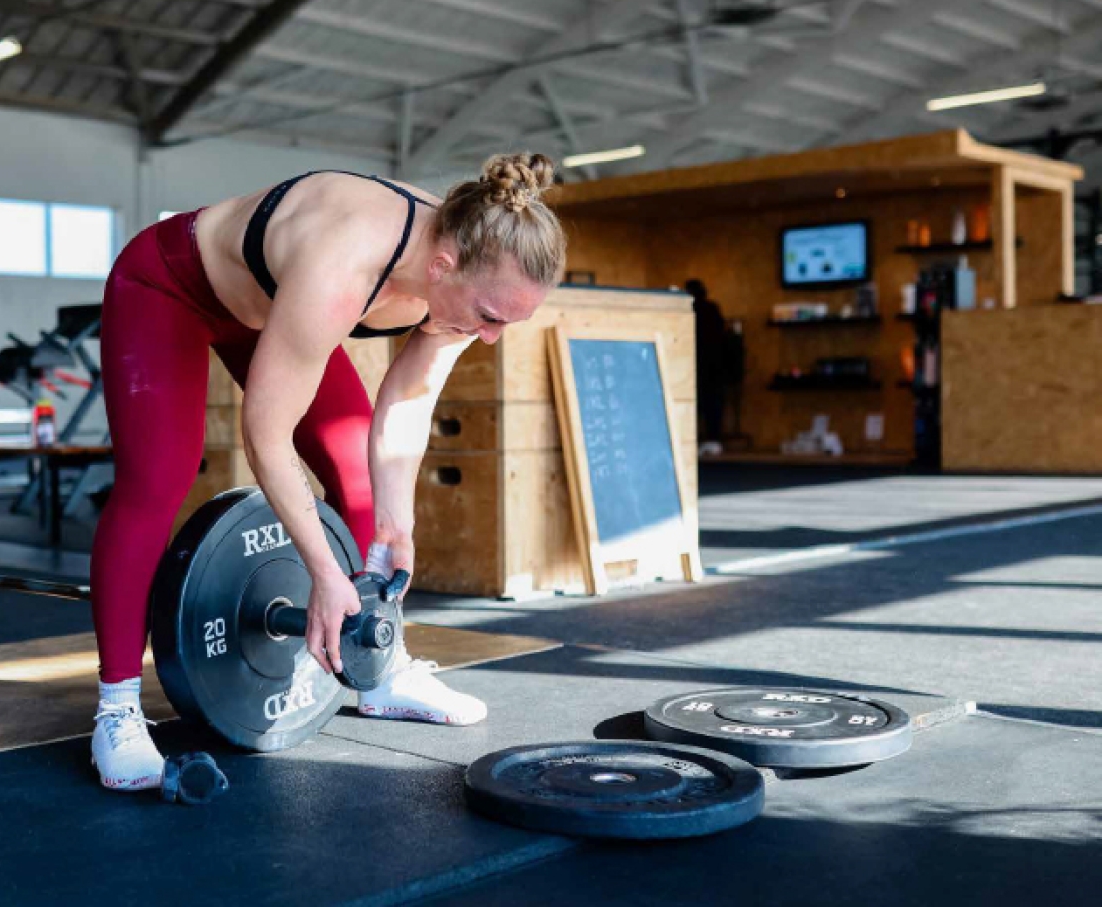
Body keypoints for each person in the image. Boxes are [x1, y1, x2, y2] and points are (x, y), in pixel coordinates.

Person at [89, 154, 567, 791]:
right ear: (441, 266)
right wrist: (322, 568)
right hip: (169, 287)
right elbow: (267, 436)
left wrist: (394, 526)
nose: (490, 338)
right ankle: (116, 710)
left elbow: (409, 401)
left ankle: (380, 666)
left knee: (357, 469)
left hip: (268, 309)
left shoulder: (466, 263)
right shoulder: (344, 262)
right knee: (157, 482)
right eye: (491, 318)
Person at [684, 278, 727, 456]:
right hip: (715, 365)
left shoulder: (691, 311)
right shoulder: (713, 309)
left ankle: (694, 441)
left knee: (698, 404)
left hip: (698, 364)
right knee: (713, 405)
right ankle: (713, 440)